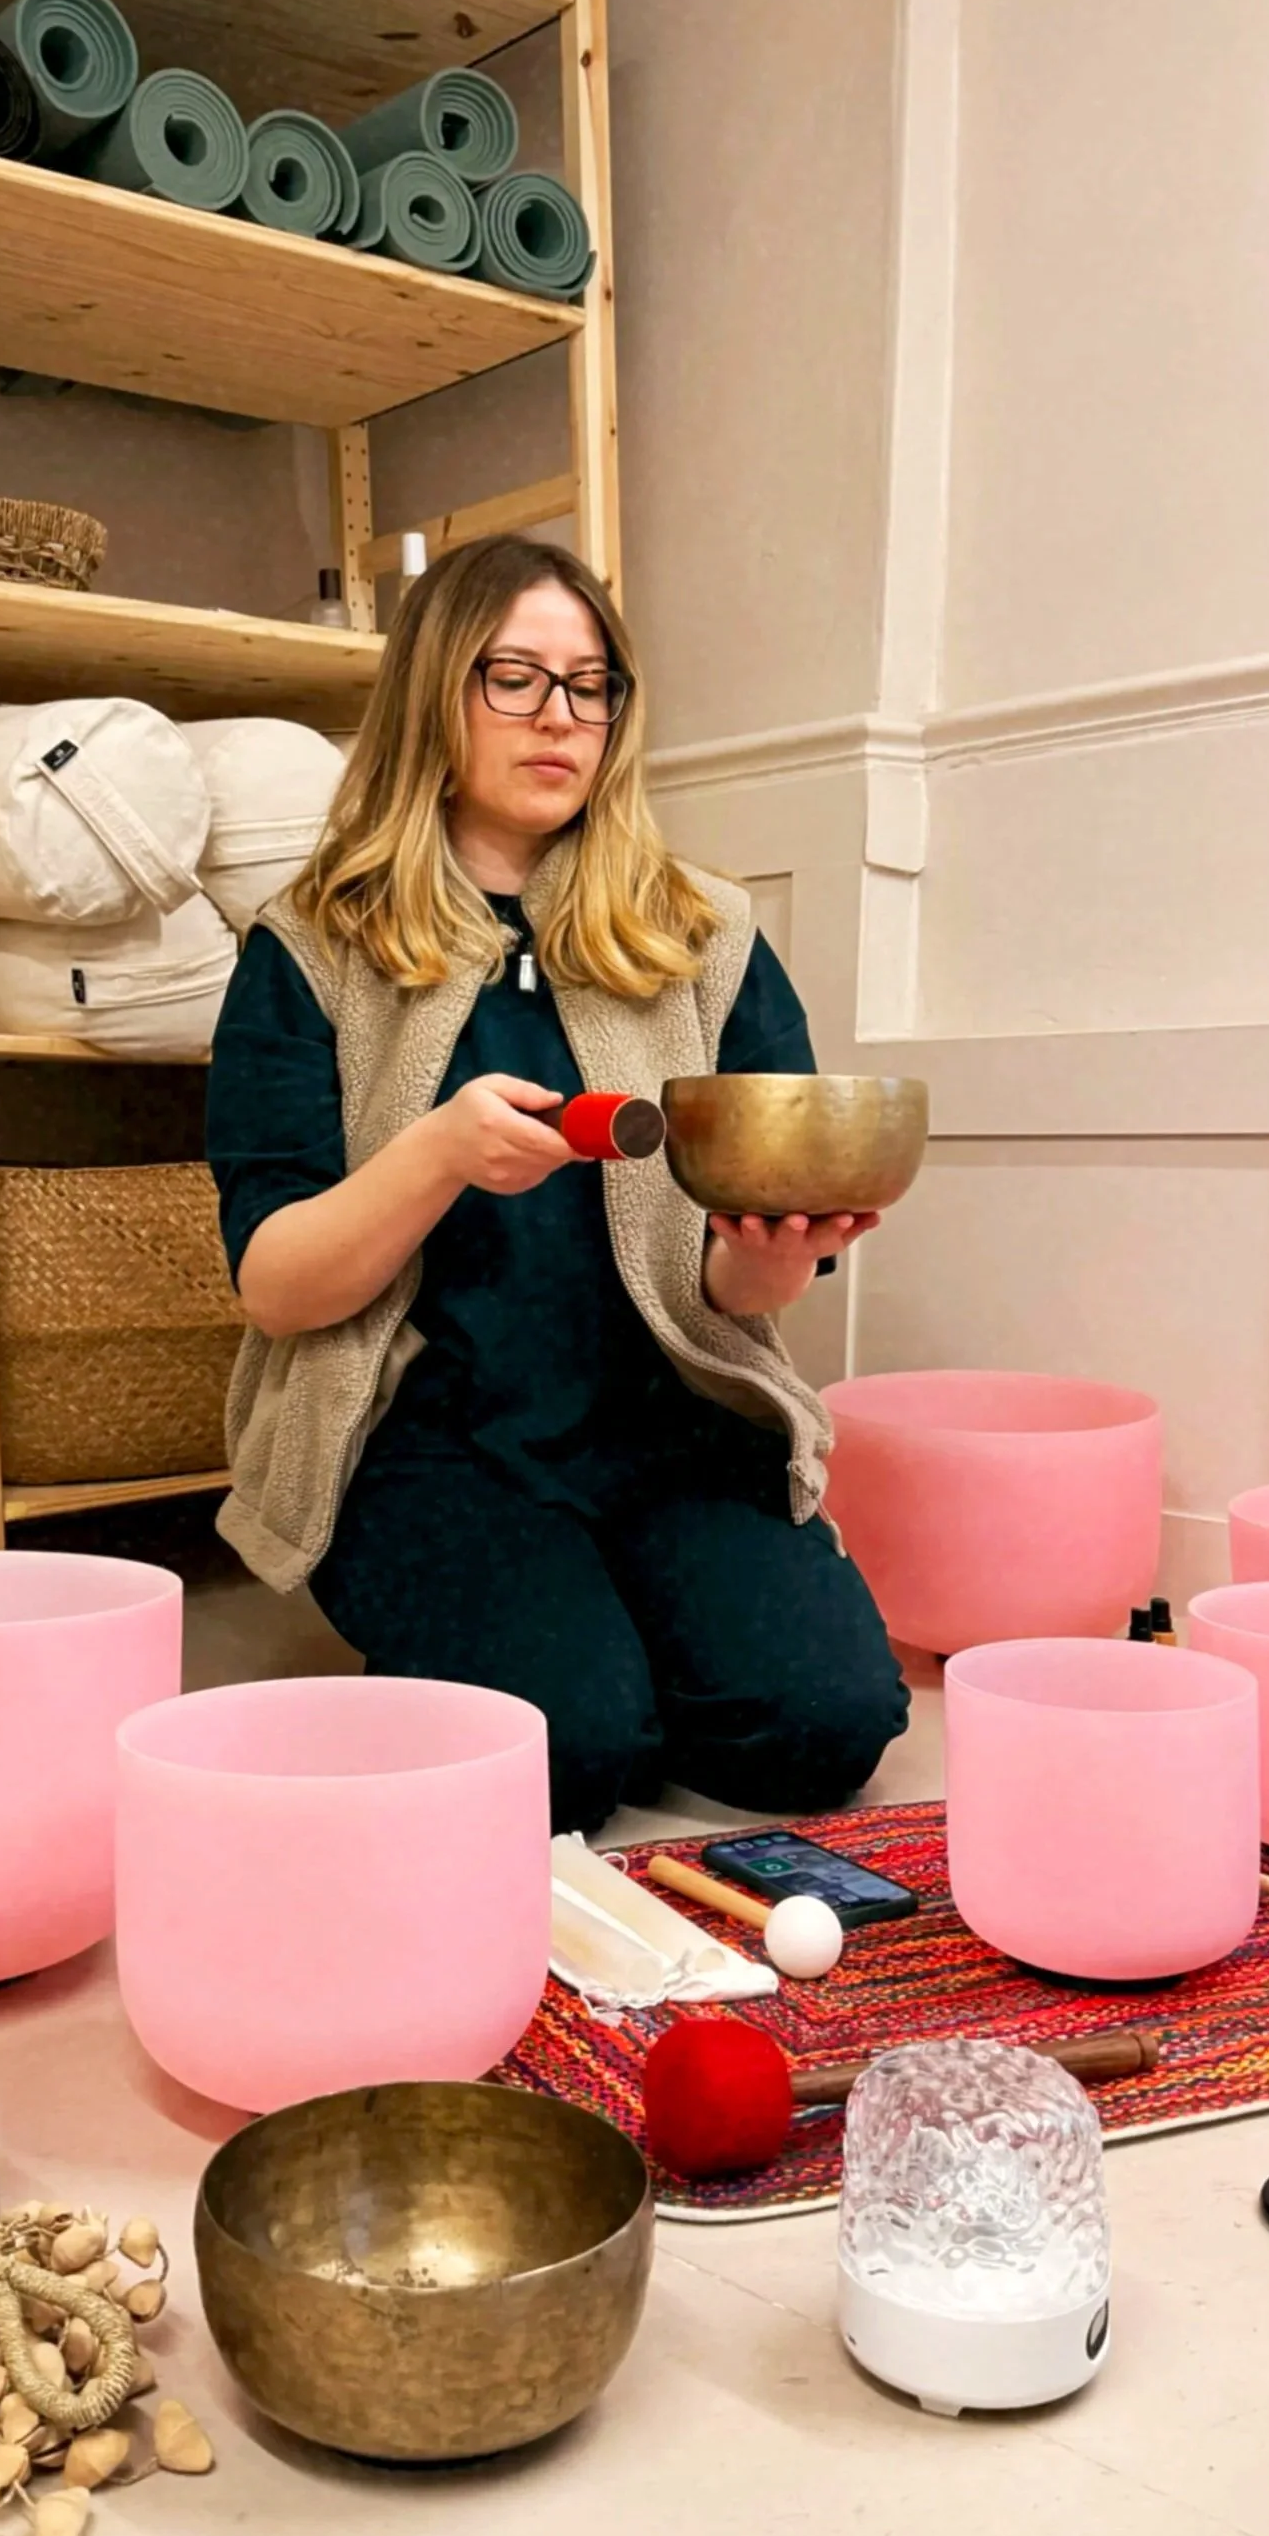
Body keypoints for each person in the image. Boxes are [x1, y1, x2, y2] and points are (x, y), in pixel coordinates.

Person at [205, 532, 909, 1836]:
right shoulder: (310, 950)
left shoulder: (702, 937)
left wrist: (781, 1248)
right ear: (435, 693)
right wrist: (434, 1156)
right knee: (566, 1758)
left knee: (826, 1729)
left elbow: (739, 1279)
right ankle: (571, 1653)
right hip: (426, 1444)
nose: (560, 718)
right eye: (514, 678)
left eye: (592, 686)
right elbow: (279, 1287)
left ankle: (613, 1628)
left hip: (669, 1424)